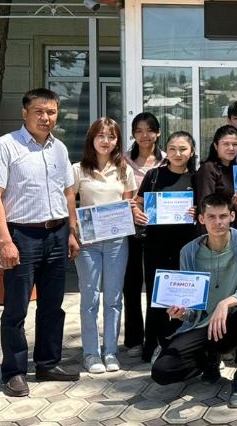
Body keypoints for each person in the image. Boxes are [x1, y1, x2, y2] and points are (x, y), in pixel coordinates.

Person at [0, 88, 81, 397]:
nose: (46, 117)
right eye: (39, 111)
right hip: (22, 236)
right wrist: (5, 241)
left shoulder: (59, 149)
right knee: (16, 309)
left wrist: (72, 232)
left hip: (57, 234)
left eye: (51, 112)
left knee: (53, 306)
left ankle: (48, 363)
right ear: (24, 113)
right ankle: (13, 372)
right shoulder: (4, 147)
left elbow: (68, 193)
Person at [150, 193, 237, 409]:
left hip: (233, 322)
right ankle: (209, 360)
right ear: (201, 219)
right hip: (203, 324)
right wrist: (182, 313)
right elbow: (191, 308)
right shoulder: (189, 252)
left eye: (223, 216)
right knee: (162, 371)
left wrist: (227, 302)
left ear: (232, 216)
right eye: (211, 217)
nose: (218, 222)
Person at [73, 118, 137, 374]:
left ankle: (110, 352)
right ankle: (91, 354)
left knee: (113, 298)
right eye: (100, 135)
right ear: (92, 138)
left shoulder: (124, 170)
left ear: (117, 141)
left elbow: (128, 205)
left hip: (116, 241)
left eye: (111, 137)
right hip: (87, 242)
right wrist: (72, 232)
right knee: (89, 298)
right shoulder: (78, 169)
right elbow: (70, 203)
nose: (106, 141)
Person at [132, 131, 199, 362]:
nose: (177, 153)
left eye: (183, 149)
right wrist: (137, 213)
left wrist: (197, 211)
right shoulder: (154, 175)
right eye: (172, 149)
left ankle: (178, 343)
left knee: (184, 295)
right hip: (156, 245)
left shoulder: (196, 178)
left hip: (186, 247)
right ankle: (154, 344)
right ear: (166, 152)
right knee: (157, 295)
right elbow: (138, 203)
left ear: (192, 151)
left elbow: (205, 209)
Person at [124, 112, 164, 357]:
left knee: (154, 285)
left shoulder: (167, 160)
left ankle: (154, 338)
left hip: (158, 232)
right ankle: (133, 339)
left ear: (158, 133)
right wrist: (132, 211)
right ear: (133, 134)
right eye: (139, 131)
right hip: (129, 229)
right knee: (131, 284)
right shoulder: (123, 160)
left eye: (149, 130)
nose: (144, 135)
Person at [196, 125, 237, 218]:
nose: (231, 148)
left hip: (233, 224)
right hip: (214, 224)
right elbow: (205, 206)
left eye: (235, 144)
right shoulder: (209, 168)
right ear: (216, 146)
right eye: (226, 144)